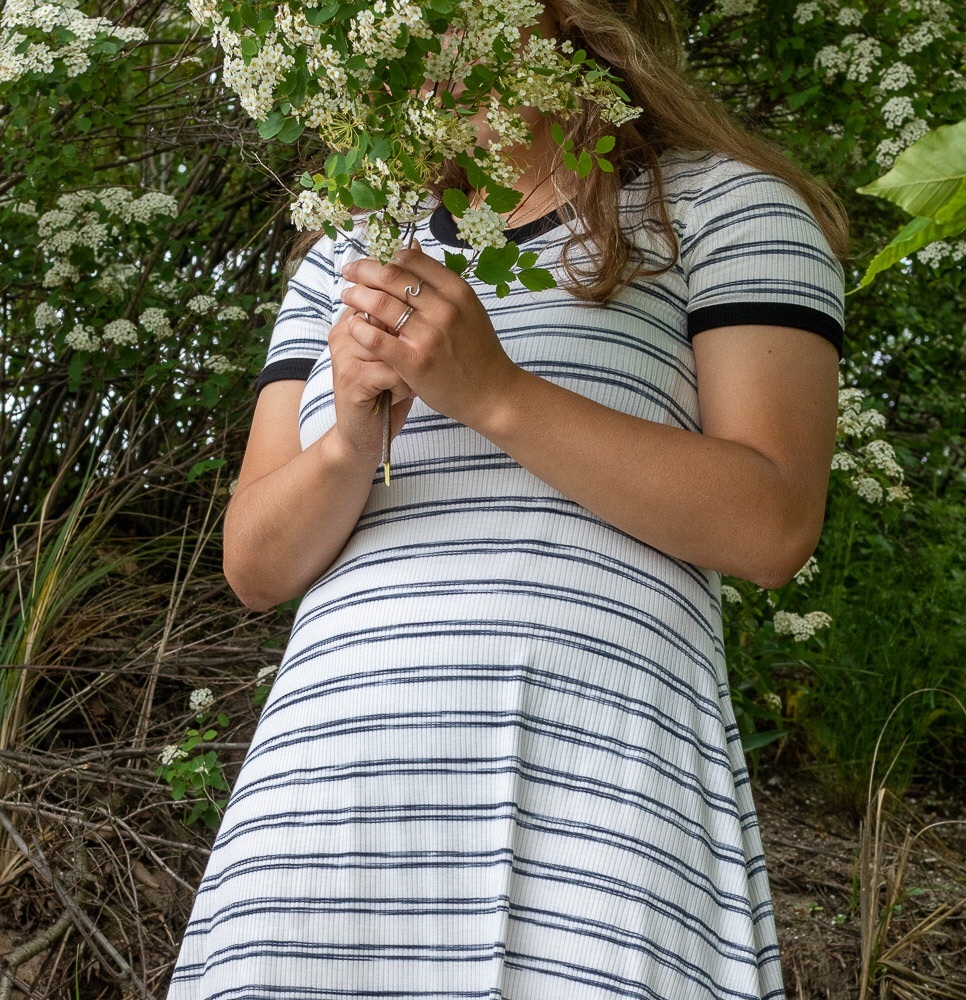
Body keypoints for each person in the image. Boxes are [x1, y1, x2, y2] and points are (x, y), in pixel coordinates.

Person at [167, 1, 846, 997]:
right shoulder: (347, 250)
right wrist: (353, 439)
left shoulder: (723, 208)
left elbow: (773, 523)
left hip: (597, 784)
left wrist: (495, 393)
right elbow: (255, 565)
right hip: (329, 792)